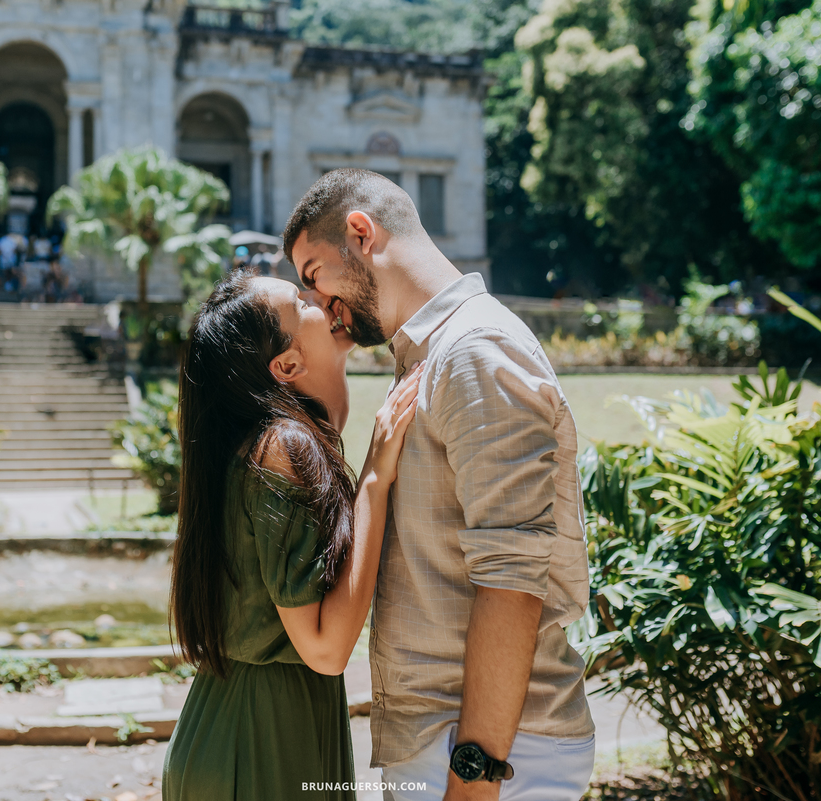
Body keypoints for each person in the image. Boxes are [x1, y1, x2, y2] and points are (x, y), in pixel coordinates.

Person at [283, 168, 595, 801]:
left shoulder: (474, 350)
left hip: (495, 753)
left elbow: (512, 582)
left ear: (361, 234)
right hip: (457, 742)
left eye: (314, 275)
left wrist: (473, 780)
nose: (317, 304)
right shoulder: (429, 354)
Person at [161, 269, 425, 800]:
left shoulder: (264, 441)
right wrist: (374, 479)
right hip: (262, 744)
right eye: (300, 302)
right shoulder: (283, 447)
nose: (318, 298)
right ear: (286, 365)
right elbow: (326, 650)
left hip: (236, 726)